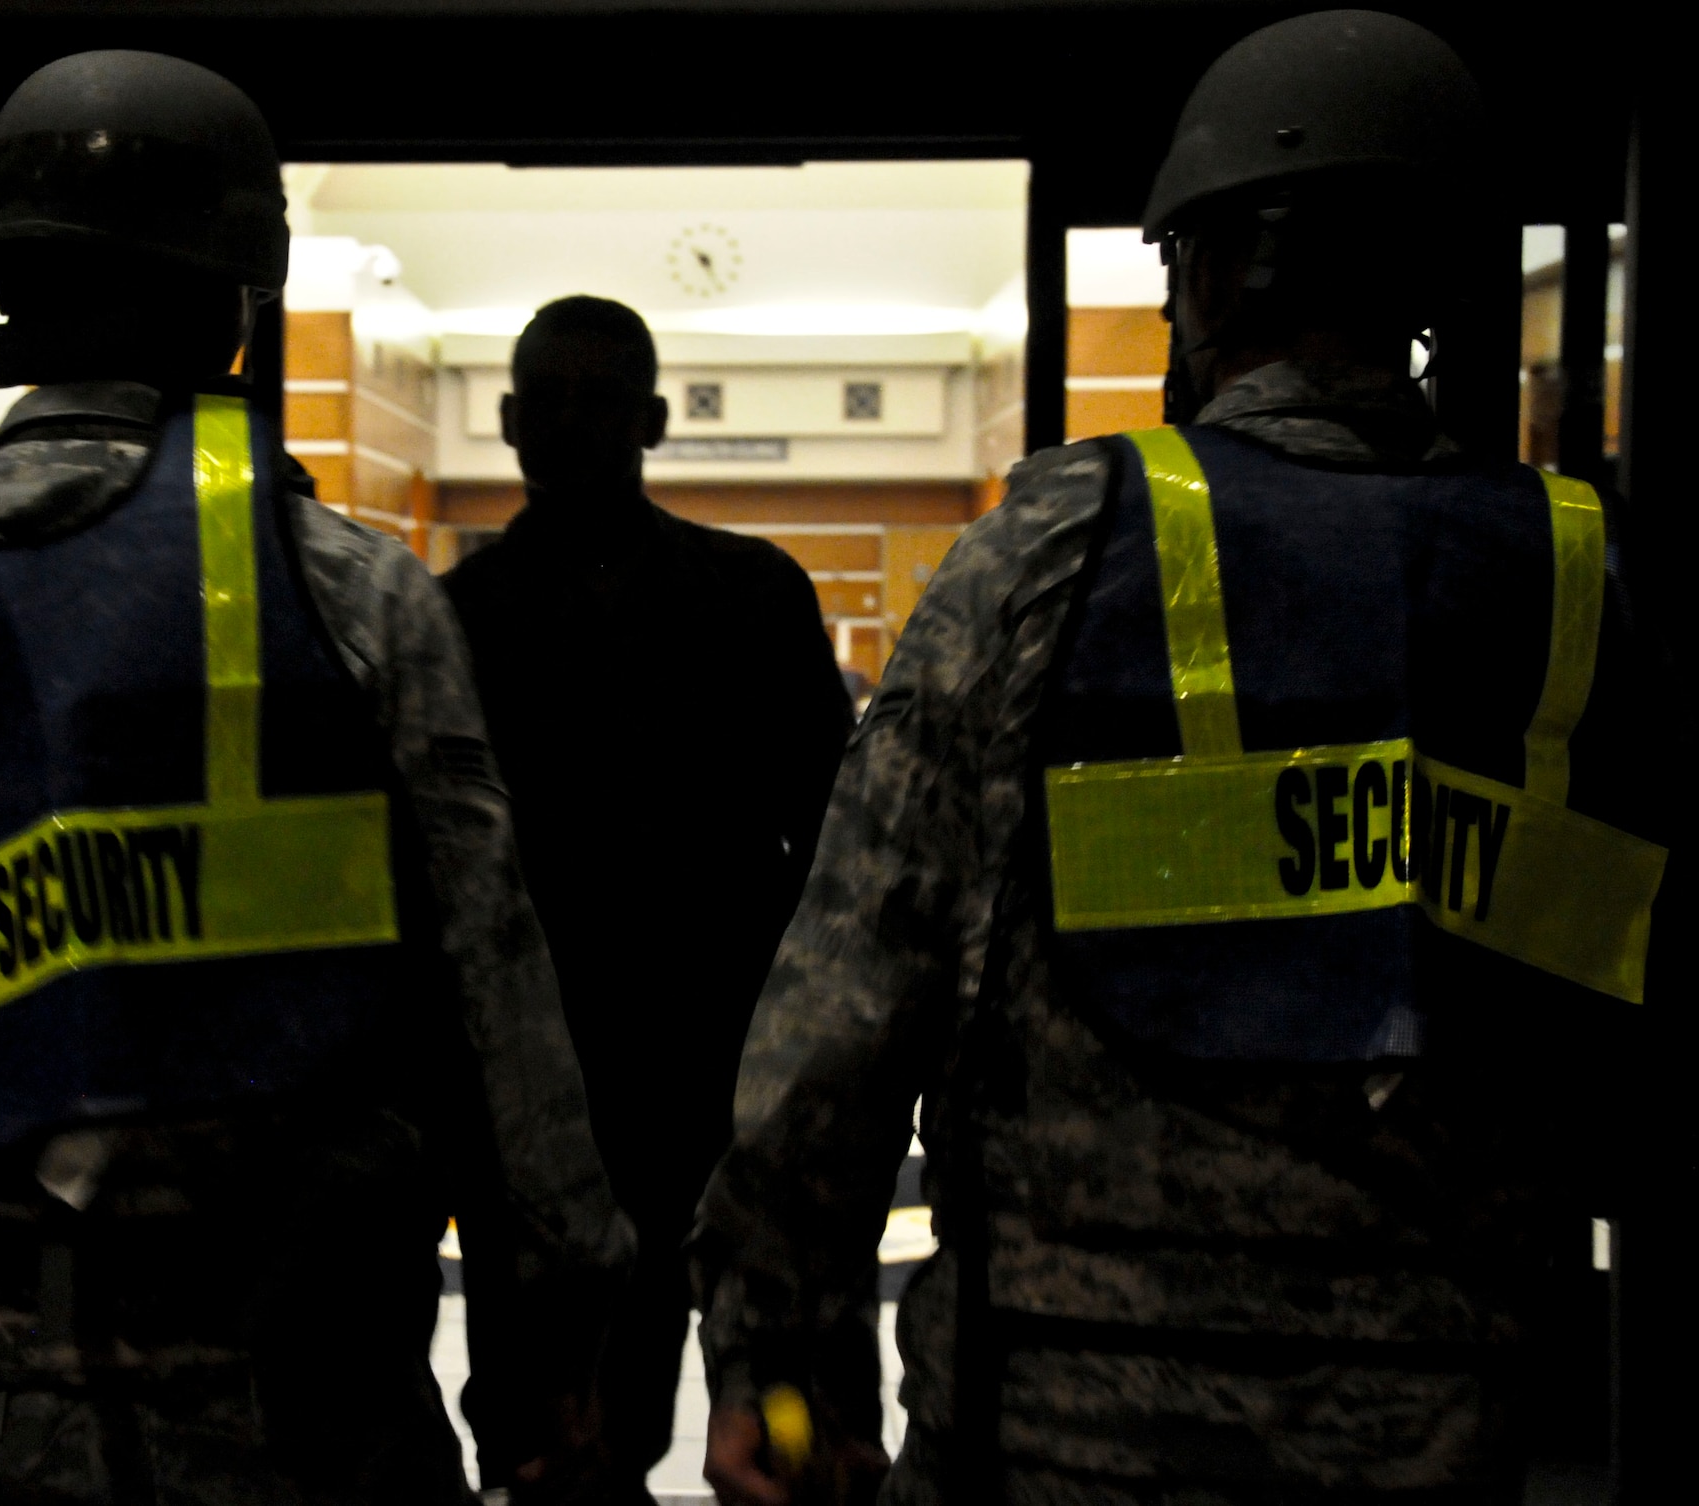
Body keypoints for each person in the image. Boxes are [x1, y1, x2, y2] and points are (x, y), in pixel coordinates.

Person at [692, 11, 1672, 1505]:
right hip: (1438, 1407)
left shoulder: (1053, 548)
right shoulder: (1580, 583)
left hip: (1056, 1406)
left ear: (1206, 276)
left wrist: (784, 1370)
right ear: (1440, 279)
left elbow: (840, 1016)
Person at [0, 50, 630, 1506]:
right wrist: (545, 1356)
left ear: (3, 294)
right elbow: (495, 1029)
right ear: (240, 302)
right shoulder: (351, 596)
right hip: (305, 1418)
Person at [443, 297, 853, 1501]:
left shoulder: (747, 598)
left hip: (684, 1088)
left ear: (653, 420)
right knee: (562, 1440)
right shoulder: (454, 619)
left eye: (593, 400)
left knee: (738, 1423)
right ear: (511, 423)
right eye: (550, 401)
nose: (568, 425)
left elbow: (828, 852)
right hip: (590, 1088)